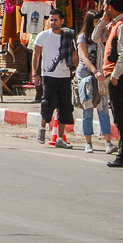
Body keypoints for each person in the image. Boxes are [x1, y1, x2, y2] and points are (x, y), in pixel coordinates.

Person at [95, 0, 123, 167]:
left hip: (120, 77)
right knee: (119, 116)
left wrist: (114, 76)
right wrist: (104, 21)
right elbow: (95, 37)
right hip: (116, 77)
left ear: (110, 7)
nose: (103, 9)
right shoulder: (113, 24)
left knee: (122, 117)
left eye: (105, 6)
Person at [31, 8, 76, 148]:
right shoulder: (43, 36)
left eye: (56, 20)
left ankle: (60, 138)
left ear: (62, 21)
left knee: (64, 107)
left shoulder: (68, 36)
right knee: (48, 103)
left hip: (64, 76)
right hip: (48, 76)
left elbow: (74, 54)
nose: (53, 22)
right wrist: (35, 74)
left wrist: (76, 69)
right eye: (51, 19)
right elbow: (36, 56)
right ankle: (42, 127)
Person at [77, 10, 116, 154]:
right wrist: (95, 71)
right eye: (95, 21)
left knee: (103, 110)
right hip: (87, 77)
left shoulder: (103, 37)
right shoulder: (82, 38)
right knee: (87, 111)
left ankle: (108, 142)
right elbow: (84, 57)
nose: (98, 23)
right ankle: (88, 143)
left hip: (101, 78)